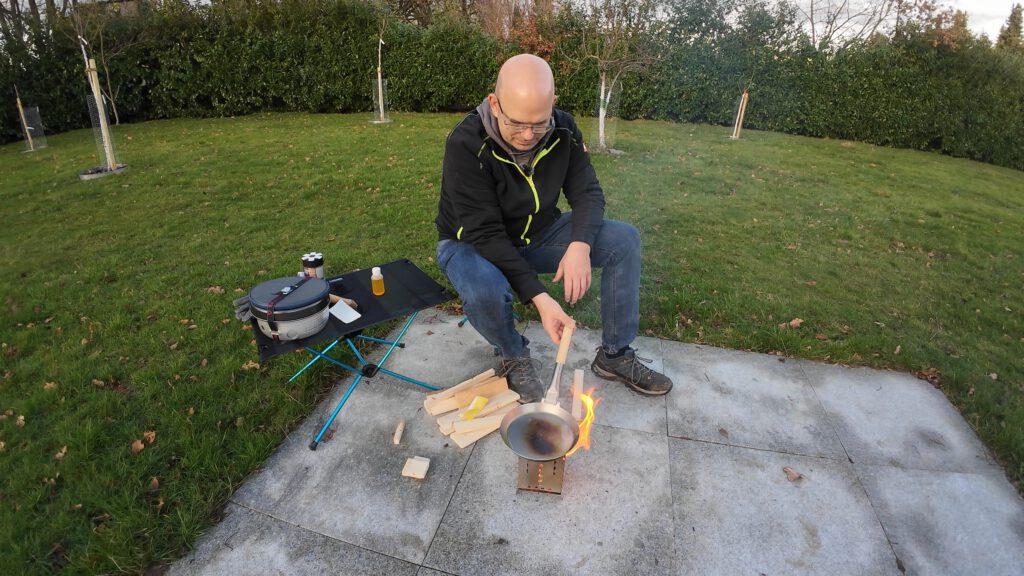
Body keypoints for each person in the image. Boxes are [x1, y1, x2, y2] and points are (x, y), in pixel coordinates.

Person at [434, 53, 672, 403]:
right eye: (516, 123)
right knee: (486, 289)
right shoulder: (466, 145)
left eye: (539, 123)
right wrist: (541, 298)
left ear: (553, 105)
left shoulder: (563, 129)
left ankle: (615, 355)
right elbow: (486, 235)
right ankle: (513, 354)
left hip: (540, 232)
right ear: (494, 103)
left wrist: (580, 245)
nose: (528, 135)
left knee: (624, 240)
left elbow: (588, 193)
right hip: (470, 243)